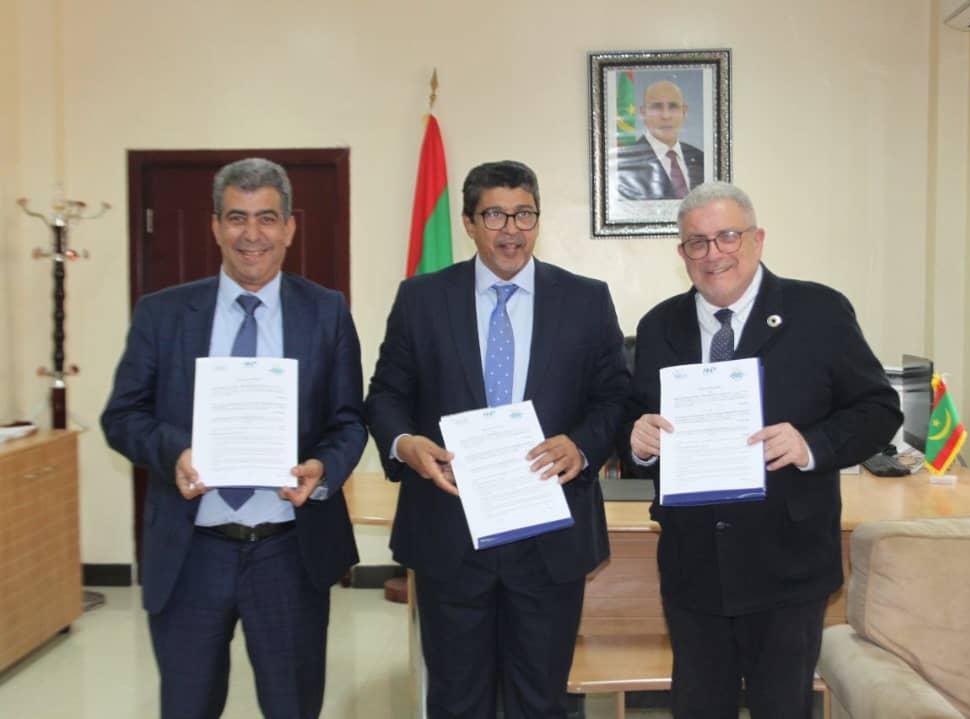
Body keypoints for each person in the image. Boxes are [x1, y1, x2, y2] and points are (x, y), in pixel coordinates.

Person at [101, 157, 367, 719]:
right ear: (216, 226)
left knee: (293, 707)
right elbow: (122, 416)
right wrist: (173, 452)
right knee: (188, 707)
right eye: (237, 218)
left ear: (291, 227)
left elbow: (349, 421)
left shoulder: (326, 312)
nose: (253, 234)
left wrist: (322, 468)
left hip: (288, 551)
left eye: (267, 218)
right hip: (192, 549)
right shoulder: (163, 314)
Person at [624, 181, 901, 718]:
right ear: (682, 254)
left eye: (728, 235)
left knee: (783, 709)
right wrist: (638, 441)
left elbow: (878, 410)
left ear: (757, 240)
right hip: (693, 566)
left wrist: (811, 443)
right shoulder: (658, 326)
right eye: (697, 242)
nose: (714, 253)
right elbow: (633, 417)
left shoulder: (817, 310)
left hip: (787, 563)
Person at [366, 160, 629, 719]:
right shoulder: (421, 299)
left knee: (543, 700)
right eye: (495, 214)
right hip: (449, 532)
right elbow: (386, 395)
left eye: (524, 214)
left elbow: (615, 398)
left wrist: (581, 447)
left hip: (549, 535)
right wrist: (404, 443)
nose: (511, 229)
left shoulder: (585, 299)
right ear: (468, 221)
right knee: (458, 700)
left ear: (537, 220)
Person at [617, 80, 705, 201]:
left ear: (684, 112)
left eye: (673, 106)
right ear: (643, 113)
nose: (666, 115)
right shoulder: (624, 161)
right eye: (656, 107)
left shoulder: (701, 159)